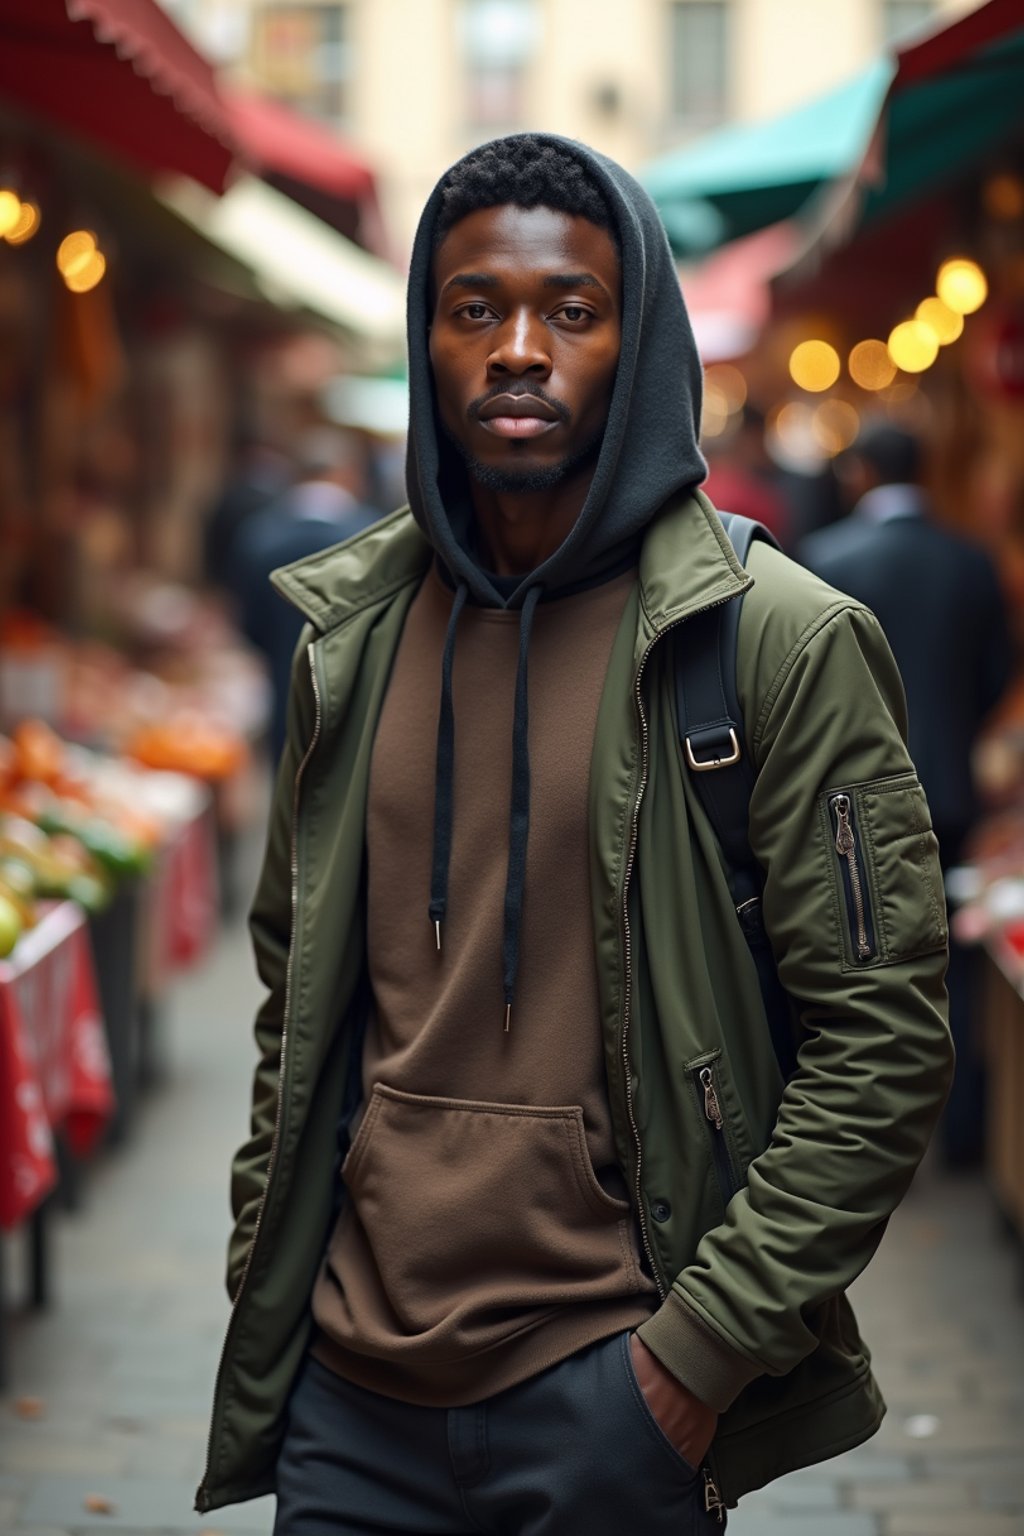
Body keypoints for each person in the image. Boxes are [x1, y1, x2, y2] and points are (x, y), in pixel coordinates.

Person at [196, 136, 954, 1533]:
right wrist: (279, 1290)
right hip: (351, 1408)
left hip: (616, 1397)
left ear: (639, 335)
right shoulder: (348, 647)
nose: (520, 350)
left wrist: (693, 1363)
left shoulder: (773, 644)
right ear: (426, 338)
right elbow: (292, 1008)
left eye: (572, 311)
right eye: (475, 307)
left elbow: (885, 1045)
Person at [800, 423, 1011, 1164]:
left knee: (858, 960)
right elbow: (997, 675)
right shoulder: (971, 562)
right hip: (950, 789)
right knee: (954, 958)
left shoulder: (825, 559)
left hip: (847, 805)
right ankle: (960, 1132)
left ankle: (873, 1136)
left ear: (859, 473)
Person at [230, 428, 380, 762]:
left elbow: (249, 625)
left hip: (285, 691)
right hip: (359, 699)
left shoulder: (260, 535)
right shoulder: (374, 537)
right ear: (348, 473)